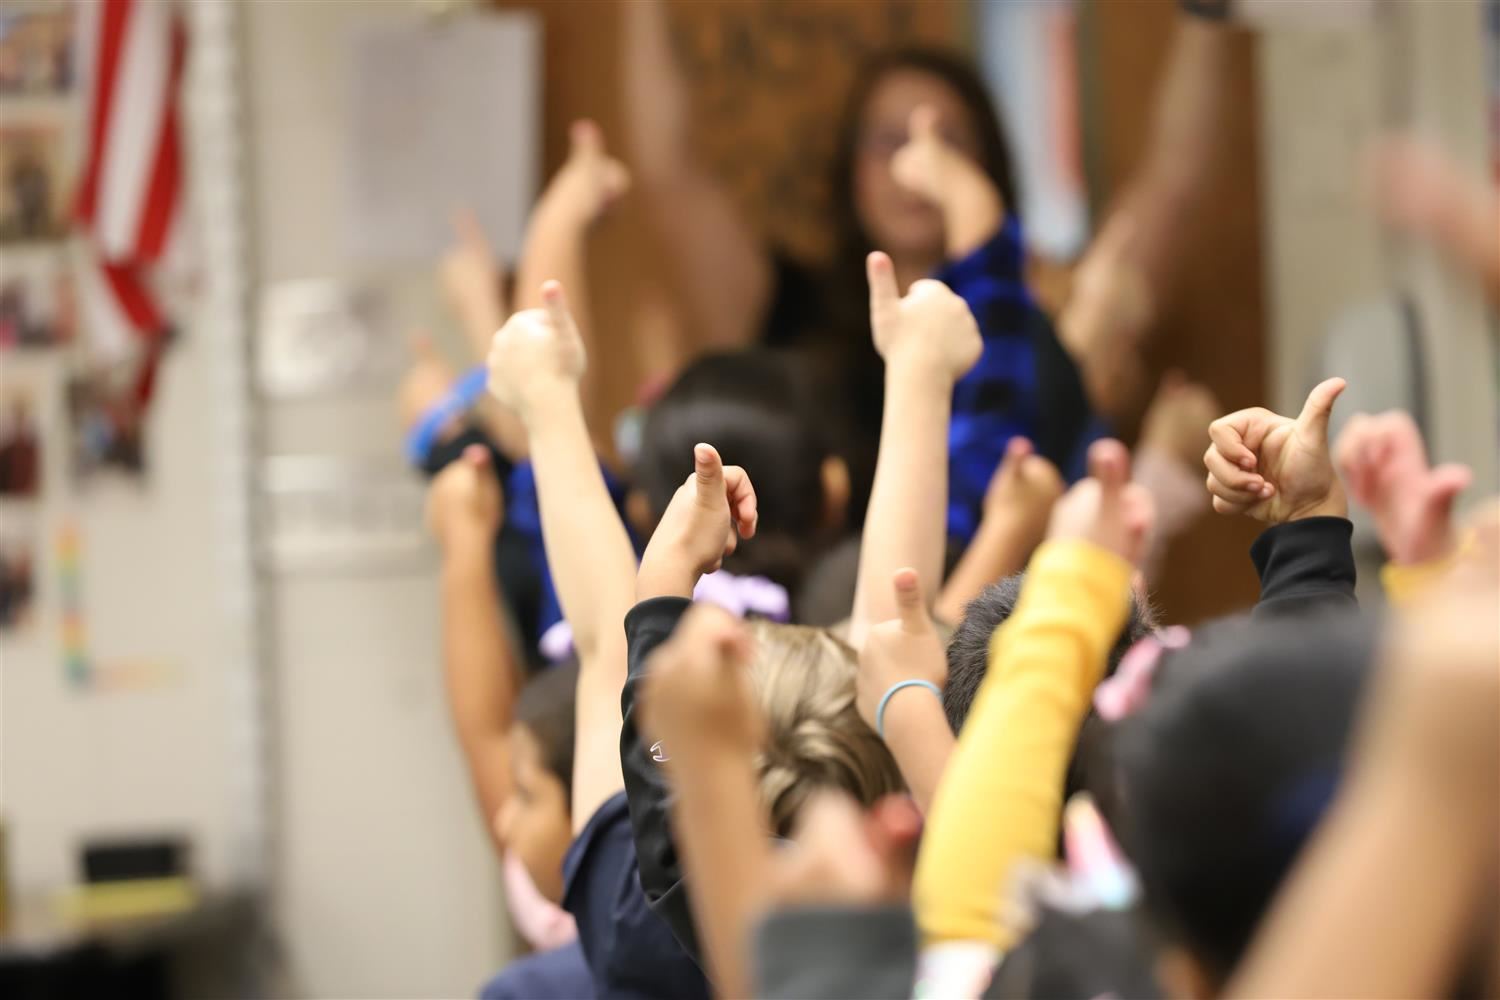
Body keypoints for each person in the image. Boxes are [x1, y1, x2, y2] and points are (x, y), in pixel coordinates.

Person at [623, 0, 1096, 541]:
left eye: (948, 140)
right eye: (889, 141)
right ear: (852, 166)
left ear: (987, 164)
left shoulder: (1024, 337)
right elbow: (669, 170)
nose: (915, 166)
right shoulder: (794, 305)